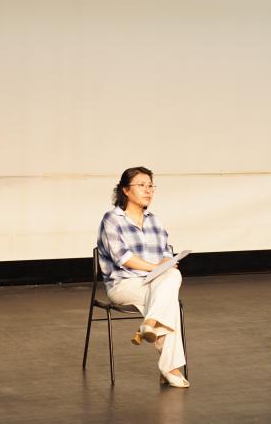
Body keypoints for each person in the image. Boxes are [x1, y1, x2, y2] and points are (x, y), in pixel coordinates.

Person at [96, 166, 189, 388]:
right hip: (124, 284)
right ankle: (170, 367)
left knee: (173, 274)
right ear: (125, 190)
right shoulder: (112, 219)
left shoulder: (155, 221)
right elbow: (123, 258)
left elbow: (166, 254)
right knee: (168, 301)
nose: (148, 190)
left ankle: (149, 324)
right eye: (141, 185)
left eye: (150, 186)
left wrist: (167, 264)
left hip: (154, 283)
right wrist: (155, 267)